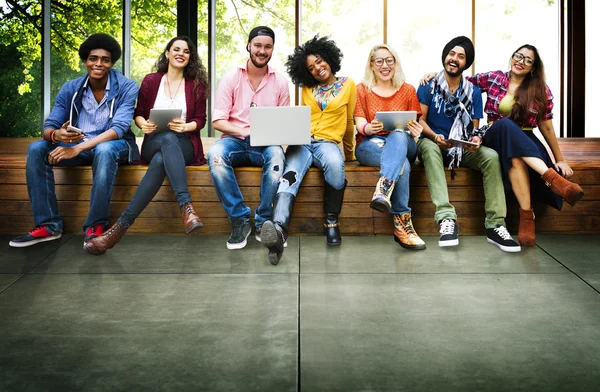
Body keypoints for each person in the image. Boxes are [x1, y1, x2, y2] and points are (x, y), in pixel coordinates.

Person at [9, 34, 140, 248]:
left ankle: (95, 225)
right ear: (85, 60)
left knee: (105, 150)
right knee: (37, 148)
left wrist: (76, 148)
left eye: (105, 59)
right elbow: (49, 125)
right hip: (78, 145)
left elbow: (119, 128)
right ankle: (48, 225)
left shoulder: (127, 86)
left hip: (116, 145)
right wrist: (56, 136)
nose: (98, 63)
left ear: (112, 62)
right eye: (93, 58)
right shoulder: (71, 88)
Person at [84, 36, 209, 255]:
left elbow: (201, 119)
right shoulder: (151, 80)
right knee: (165, 142)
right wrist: (144, 125)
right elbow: (138, 113)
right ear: (167, 53)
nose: (181, 53)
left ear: (190, 58)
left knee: (166, 151)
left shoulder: (196, 85)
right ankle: (186, 207)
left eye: (186, 51)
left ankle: (118, 229)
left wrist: (186, 126)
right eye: (176, 49)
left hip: (185, 145)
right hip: (153, 142)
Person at [466, 44, 584, 246]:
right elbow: (460, 82)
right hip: (495, 134)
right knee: (505, 124)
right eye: (518, 56)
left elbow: (546, 127)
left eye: (528, 60)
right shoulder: (494, 77)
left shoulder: (540, 90)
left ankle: (527, 216)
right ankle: (554, 181)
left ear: (533, 67)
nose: (521, 62)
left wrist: (560, 159)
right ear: (512, 57)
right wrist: (436, 74)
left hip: (526, 140)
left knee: (516, 157)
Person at [416, 36, 521, 252]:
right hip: (434, 144)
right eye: (452, 54)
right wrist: (436, 136)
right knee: (426, 146)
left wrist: (474, 140)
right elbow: (420, 121)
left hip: (460, 149)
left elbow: (473, 128)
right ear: (445, 56)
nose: (454, 59)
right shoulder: (428, 85)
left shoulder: (472, 92)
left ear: (466, 63)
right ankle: (446, 219)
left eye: (461, 56)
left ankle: (495, 224)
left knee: (490, 156)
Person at [260, 35, 356, 265]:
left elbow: (350, 121)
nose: (318, 68)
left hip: (327, 143)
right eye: (311, 68)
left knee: (335, 165)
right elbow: (300, 117)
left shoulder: (348, 85)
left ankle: (332, 222)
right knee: (288, 177)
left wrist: (350, 154)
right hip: (302, 142)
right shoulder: (306, 88)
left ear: (330, 58)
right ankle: (279, 230)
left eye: (320, 61)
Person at [208, 26, 289, 250]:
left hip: (265, 144)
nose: (262, 51)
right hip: (234, 140)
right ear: (249, 46)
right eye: (258, 46)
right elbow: (218, 121)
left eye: (268, 47)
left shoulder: (280, 82)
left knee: (276, 156)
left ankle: (264, 221)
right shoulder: (231, 78)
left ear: (272, 49)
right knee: (215, 154)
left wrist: (276, 135)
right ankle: (240, 220)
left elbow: (284, 122)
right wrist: (243, 131)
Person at [353, 44, 426, 250]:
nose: (385, 65)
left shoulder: (408, 90)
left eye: (389, 60)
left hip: (405, 143)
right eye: (379, 61)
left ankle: (383, 190)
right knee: (401, 163)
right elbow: (360, 126)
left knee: (399, 134)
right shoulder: (362, 90)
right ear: (372, 65)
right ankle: (403, 225)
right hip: (370, 145)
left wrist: (415, 130)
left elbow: (416, 124)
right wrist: (369, 127)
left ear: (395, 63)